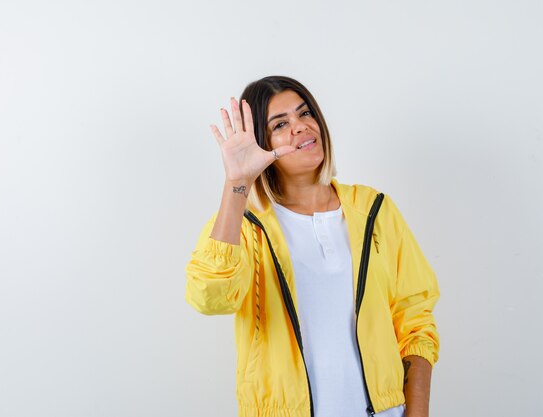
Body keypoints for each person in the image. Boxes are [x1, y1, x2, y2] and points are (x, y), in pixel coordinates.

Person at [185, 76, 439, 417]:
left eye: (305, 113)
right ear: (262, 144)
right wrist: (238, 184)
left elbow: (415, 318)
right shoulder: (246, 227)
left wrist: (417, 412)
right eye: (280, 124)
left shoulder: (374, 210)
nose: (300, 127)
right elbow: (210, 297)